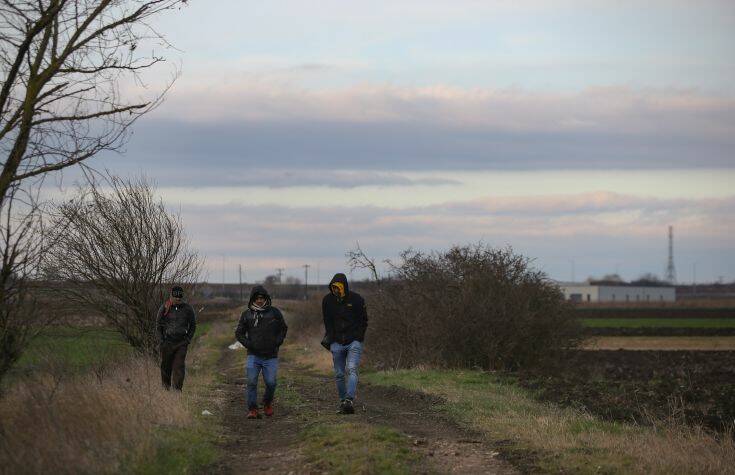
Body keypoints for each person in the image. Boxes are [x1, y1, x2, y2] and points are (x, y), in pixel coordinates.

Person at [235, 285, 288, 419]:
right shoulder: (246, 314)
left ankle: (267, 403)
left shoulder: (275, 312)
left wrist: (277, 342)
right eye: (257, 298)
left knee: (271, 383)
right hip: (253, 355)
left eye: (262, 298)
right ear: (253, 299)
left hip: (271, 356)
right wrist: (249, 344)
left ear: (266, 298)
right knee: (251, 382)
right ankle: (253, 409)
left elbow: (283, 328)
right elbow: (239, 333)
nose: (259, 300)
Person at [322, 273, 368, 414]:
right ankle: (343, 401)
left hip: (354, 341)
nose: (335, 290)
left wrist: (359, 337)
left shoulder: (357, 299)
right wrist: (331, 339)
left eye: (338, 287)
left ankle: (349, 399)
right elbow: (327, 321)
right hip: (336, 342)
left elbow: (363, 320)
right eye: (333, 287)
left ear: (344, 286)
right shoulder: (327, 301)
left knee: (352, 369)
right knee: (339, 374)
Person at [156, 285, 197, 391]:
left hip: (181, 343)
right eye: (176, 296)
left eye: (180, 297)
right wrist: (162, 341)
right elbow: (158, 325)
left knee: (179, 367)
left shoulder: (188, 309)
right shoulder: (164, 308)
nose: (178, 298)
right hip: (167, 343)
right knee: (166, 367)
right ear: (171, 296)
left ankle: (177, 391)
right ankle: (166, 388)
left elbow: (193, 325)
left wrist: (188, 339)